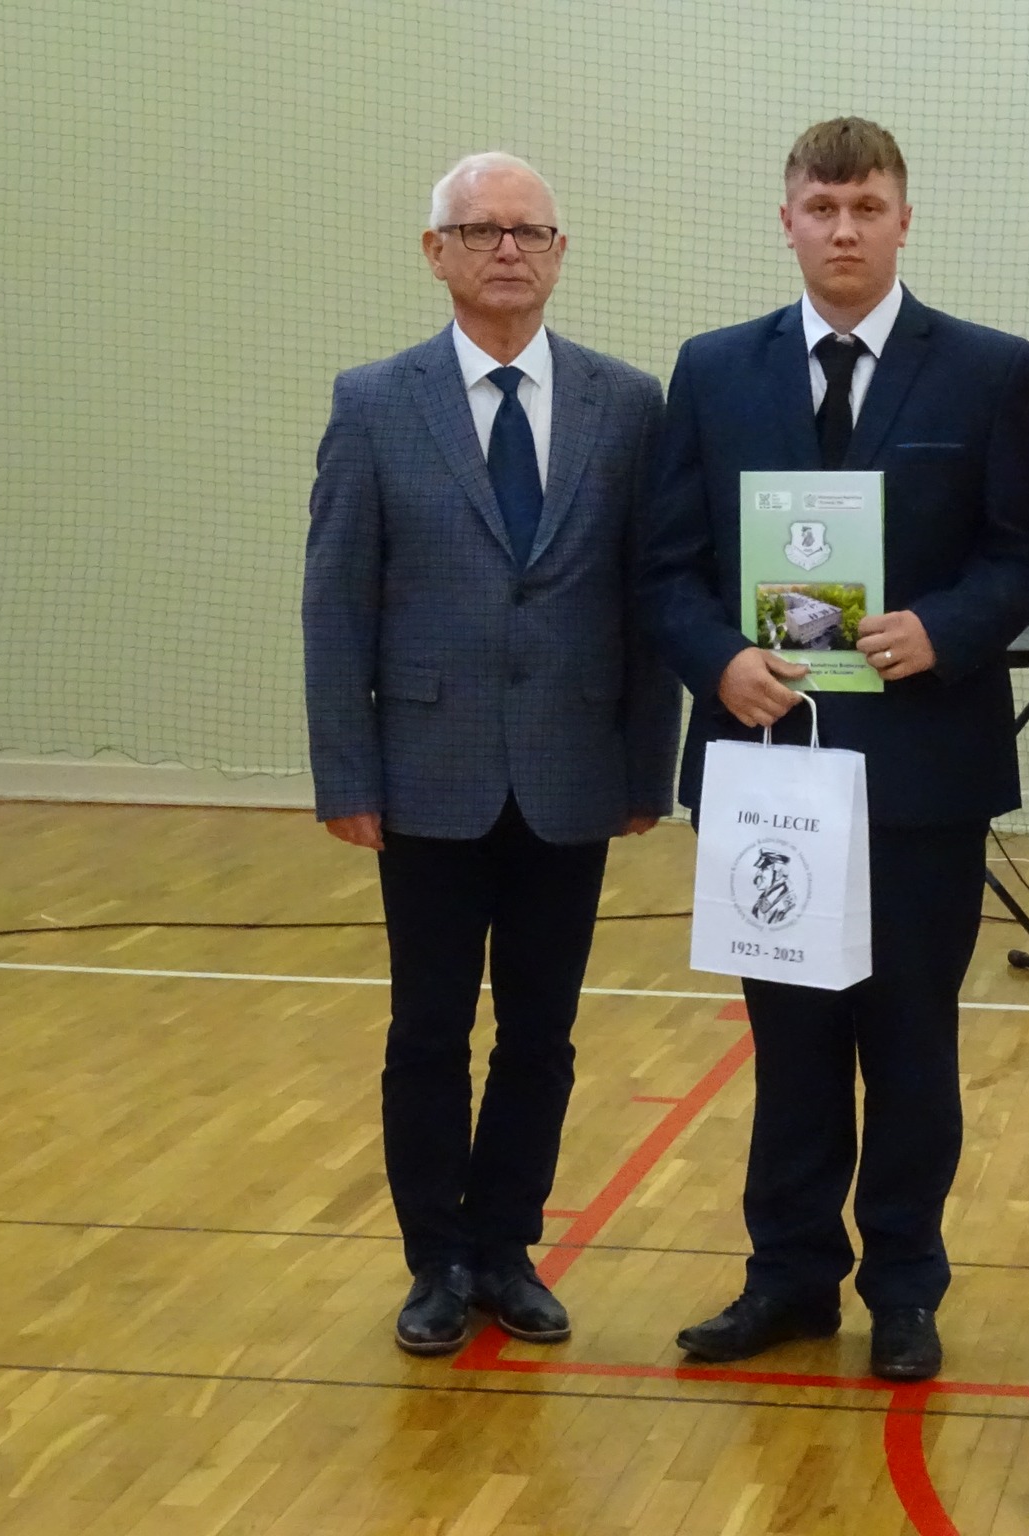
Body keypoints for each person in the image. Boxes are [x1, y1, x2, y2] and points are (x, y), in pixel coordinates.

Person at [645, 117, 1029, 1381]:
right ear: (785, 220)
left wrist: (944, 628)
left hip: (921, 770)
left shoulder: (988, 369)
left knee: (911, 1042)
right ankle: (787, 1279)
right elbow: (665, 566)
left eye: (865, 207)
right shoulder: (712, 370)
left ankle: (904, 1288)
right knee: (791, 1044)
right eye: (820, 208)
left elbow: (1025, 557)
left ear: (902, 220)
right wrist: (719, 660)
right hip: (767, 762)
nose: (842, 229)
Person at [302, 152, 679, 1356]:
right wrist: (346, 775)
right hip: (426, 774)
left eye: (530, 231)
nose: (508, 248)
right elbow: (334, 604)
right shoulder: (374, 402)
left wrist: (646, 767)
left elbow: (647, 599)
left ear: (561, 253)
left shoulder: (627, 404)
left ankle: (508, 1248)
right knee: (426, 1030)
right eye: (480, 229)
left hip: (572, 774)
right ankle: (435, 1262)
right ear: (437, 253)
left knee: (539, 1031)